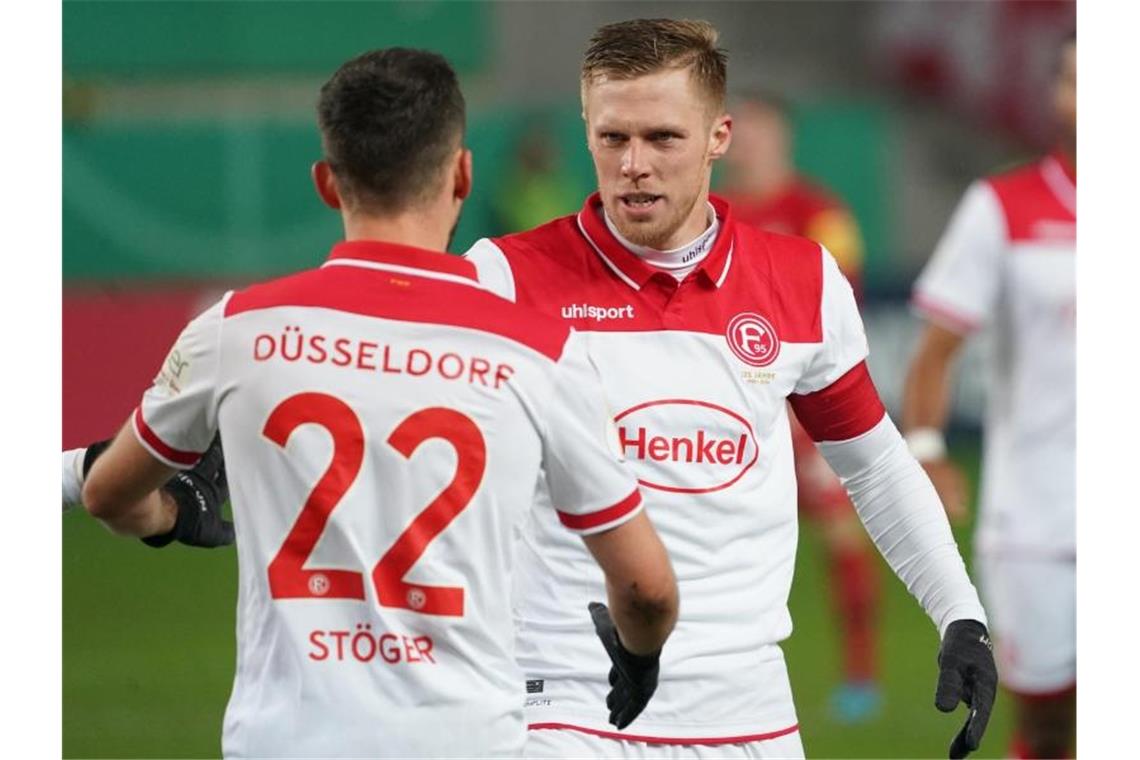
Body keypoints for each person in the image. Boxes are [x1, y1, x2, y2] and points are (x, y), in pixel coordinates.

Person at [74, 48, 679, 758]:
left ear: (327, 183)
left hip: (284, 741)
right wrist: (639, 657)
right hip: (464, 741)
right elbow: (645, 589)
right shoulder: (542, 351)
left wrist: (170, 513)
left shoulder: (235, 328)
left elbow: (107, 493)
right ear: (462, 174)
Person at [464, 18, 997, 760]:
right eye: (612, 138)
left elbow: (873, 464)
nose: (633, 165)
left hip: (747, 713)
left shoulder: (803, 281)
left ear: (720, 137)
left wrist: (959, 615)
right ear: (586, 130)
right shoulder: (505, 276)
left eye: (662, 138)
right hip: (563, 699)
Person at [902, 34, 1076, 760]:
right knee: (1048, 727)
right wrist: (929, 451)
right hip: (1038, 520)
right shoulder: (1003, 205)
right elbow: (936, 352)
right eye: (1076, 81)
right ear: (1057, 97)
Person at [722, 91, 883, 723]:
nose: (751, 141)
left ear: (784, 138)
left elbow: (845, 307)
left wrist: (800, 398)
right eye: (742, 130)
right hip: (731, 411)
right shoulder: (709, 214)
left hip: (806, 412)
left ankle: (862, 676)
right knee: (722, 544)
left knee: (841, 537)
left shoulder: (820, 211)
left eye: (762, 129)